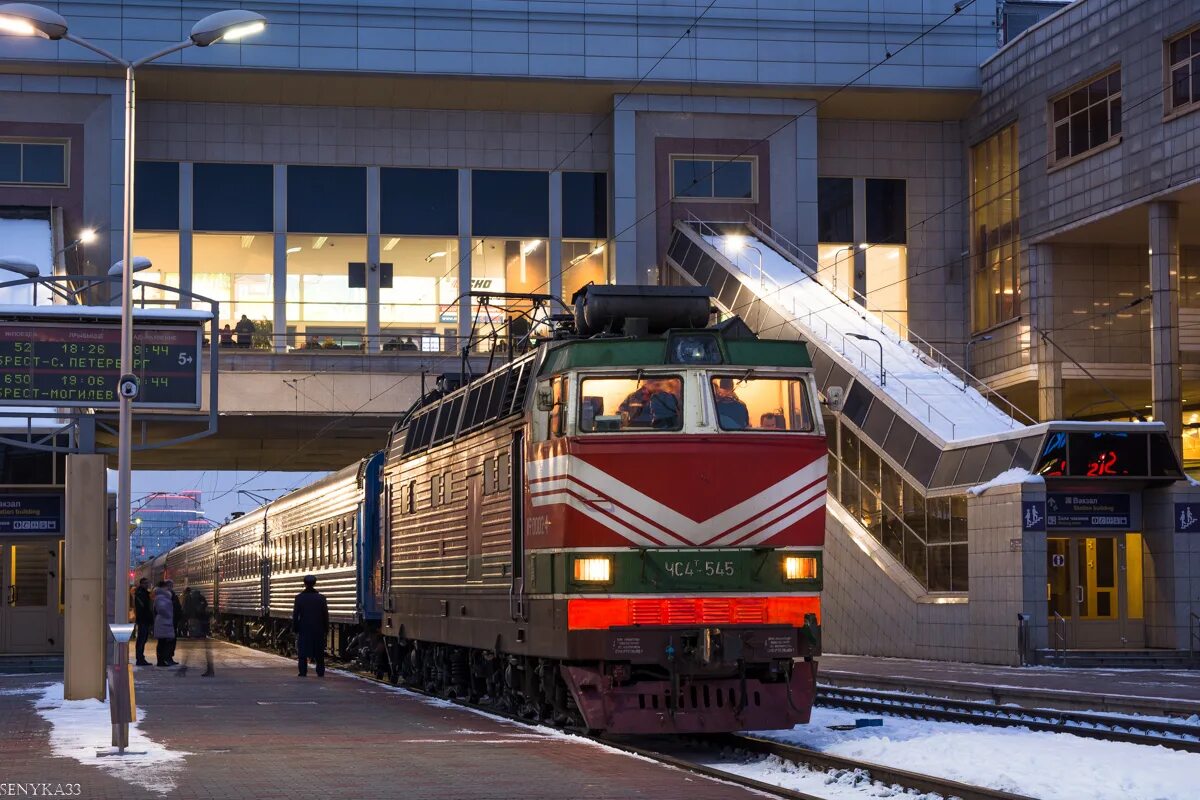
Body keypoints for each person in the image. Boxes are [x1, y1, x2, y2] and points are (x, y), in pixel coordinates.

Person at [292, 574, 329, 678]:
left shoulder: (299, 598)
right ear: (314, 583)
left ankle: (303, 672)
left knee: (303, 652)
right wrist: (326, 628)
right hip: (318, 628)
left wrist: (295, 628)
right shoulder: (321, 598)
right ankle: (320, 672)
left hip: (304, 628)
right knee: (319, 652)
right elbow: (325, 615)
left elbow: (296, 615)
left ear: (304, 583)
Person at [179, 588, 215, 678]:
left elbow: (185, 611)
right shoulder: (201, 598)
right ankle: (210, 669)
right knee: (206, 648)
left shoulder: (188, 598)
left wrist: (183, 623)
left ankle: (183, 669)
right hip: (203, 623)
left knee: (190, 647)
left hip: (194, 622)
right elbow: (205, 608)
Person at [153, 581, 177, 667]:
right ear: (163, 587)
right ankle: (160, 661)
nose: (168, 588)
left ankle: (162, 660)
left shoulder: (163, 596)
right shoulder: (160, 597)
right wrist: (169, 615)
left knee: (164, 642)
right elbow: (161, 609)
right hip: (163, 621)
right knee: (162, 642)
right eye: (166, 586)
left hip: (165, 621)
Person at [133, 578, 153, 667]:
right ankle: (140, 658)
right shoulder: (141, 594)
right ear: (141, 584)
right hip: (143, 620)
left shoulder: (143, 593)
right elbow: (143, 608)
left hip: (144, 619)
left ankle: (141, 658)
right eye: (145, 583)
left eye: (147, 583)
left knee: (142, 640)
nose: (147, 585)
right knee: (141, 640)